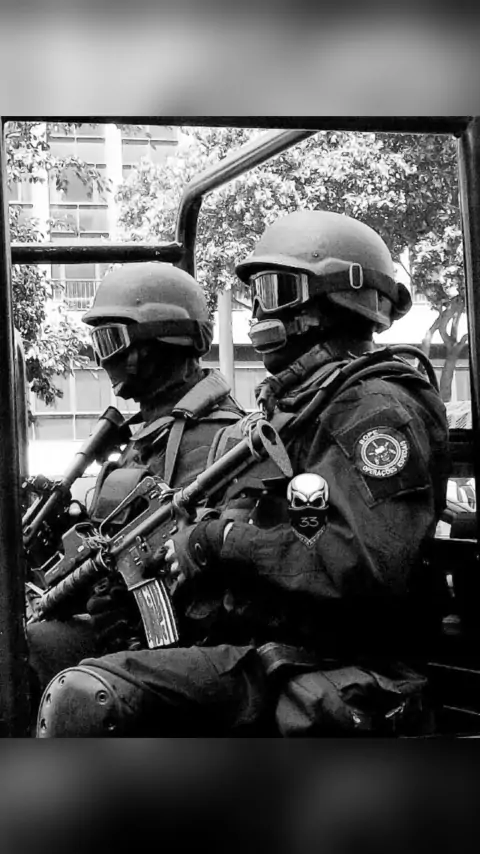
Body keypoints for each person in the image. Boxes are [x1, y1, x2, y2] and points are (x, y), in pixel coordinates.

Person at [37, 211, 450, 738]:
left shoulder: (374, 412)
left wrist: (218, 541)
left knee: (85, 697)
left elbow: (355, 567)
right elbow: (285, 539)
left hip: (331, 659)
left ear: (333, 301)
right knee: (39, 646)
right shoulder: (300, 409)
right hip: (264, 642)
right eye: (255, 293)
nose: (257, 310)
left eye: (274, 290)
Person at [27, 261, 244, 710]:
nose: (102, 358)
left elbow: (233, 566)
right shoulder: (142, 438)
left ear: (162, 339)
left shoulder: (227, 441)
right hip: (128, 639)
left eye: (111, 341)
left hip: (194, 650)